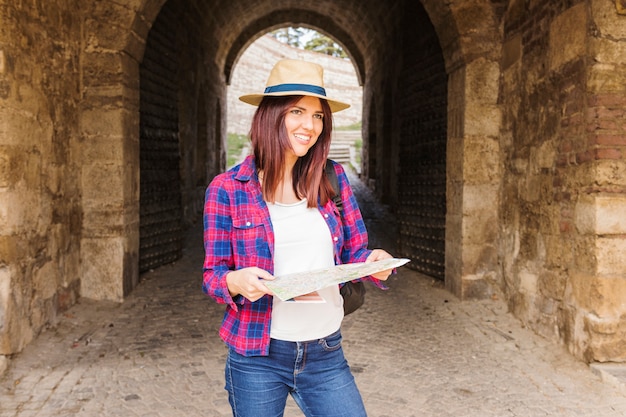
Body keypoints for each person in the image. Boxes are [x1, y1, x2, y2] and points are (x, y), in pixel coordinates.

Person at [202, 58, 394, 417]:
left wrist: (376, 264)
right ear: (270, 115)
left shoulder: (333, 178)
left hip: (324, 352)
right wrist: (235, 280)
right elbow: (212, 276)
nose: (310, 125)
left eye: (318, 115)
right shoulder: (228, 189)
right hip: (257, 356)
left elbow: (356, 252)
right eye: (297, 112)